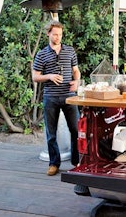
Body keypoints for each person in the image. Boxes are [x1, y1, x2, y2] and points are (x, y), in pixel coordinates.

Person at [32, 20, 81, 176]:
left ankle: (76, 161)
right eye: (54, 34)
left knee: (76, 130)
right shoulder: (41, 54)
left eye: (60, 34)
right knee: (51, 133)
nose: (57, 37)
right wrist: (50, 76)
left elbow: (76, 70)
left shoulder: (70, 51)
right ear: (48, 34)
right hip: (51, 97)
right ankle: (54, 164)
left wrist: (77, 81)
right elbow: (35, 77)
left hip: (69, 96)